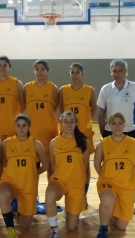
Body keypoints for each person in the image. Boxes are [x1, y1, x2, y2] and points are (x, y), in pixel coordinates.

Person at [97, 59, 135, 215]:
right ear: (111, 72)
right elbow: (101, 112)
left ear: (126, 72)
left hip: (130, 132)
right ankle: (112, 196)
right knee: (110, 165)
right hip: (109, 132)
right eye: (114, 71)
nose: (117, 73)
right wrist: (103, 132)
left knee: (134, 168)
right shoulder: (106, 89)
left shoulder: (134, 87)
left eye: (120, 71)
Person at [0, 114, 48, 238]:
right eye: (18, 125)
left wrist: (32, 174)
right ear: (14, 126)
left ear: (28, 127)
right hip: (11, 181)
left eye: (24, 125)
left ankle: (15, 209)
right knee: (3, 195)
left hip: (28, 185)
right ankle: (11, 231)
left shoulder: (35, 144)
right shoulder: (7, 143)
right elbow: (3, 161)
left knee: (25, 225)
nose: (21, 128)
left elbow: (46, 165)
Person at [45, 111, 90, 238]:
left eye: (72, 121)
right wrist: (50, 189)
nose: (69, 124)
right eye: (66, 121)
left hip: (76, 185)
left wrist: (84, 193)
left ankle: (71, 208)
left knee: (71, 227)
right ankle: (54, 231)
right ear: (61, 123)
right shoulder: (54, 142)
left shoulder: (84, 142)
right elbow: (52, 168)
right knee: (50, 195)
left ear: (76, 123)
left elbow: (86, 168)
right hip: (60, 181)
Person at [94, 112, 135, 238]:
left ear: (124, 124)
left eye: (120, 123)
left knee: (122, 226)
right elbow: (97, 164)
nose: (117, 127)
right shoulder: (103, 143)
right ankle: (103, 227)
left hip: (126, 185)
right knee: (107, 200)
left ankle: (112, 212)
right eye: (113, 123)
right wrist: (106, 177)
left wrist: (127, 177)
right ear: (109, 125)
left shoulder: (133, 143)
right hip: (109, 182)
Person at [58, 63, 96, 209]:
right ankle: (70, 194)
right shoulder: (63, 90)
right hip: (68, 134)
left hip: (84, 134)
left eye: (77, 72)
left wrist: (83, 124)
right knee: (70, 166)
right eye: (72, 72)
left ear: (82, 74)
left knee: (84, 166)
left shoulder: (89, 90)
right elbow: (62, 110)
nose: (75, 75)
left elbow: (92, 110)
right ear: (69, 74)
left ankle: (83, 196)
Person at [24, 60, 59, 180]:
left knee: (51, 166)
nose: (40, 71)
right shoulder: (27, 88)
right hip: (33, 132)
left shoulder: (53, 88)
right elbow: (24, 106)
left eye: (43, 69)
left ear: (47, 71)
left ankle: (50, 192)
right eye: (37, 69)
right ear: (34, 71)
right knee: (34, 166)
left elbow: (55, 107)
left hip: (50, 132)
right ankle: (34, 192)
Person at [0, 56, 25, 141]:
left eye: (5, 65)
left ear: (9, 67)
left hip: (13, 127)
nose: (2, 68)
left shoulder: (16, 83)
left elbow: (23, 105)